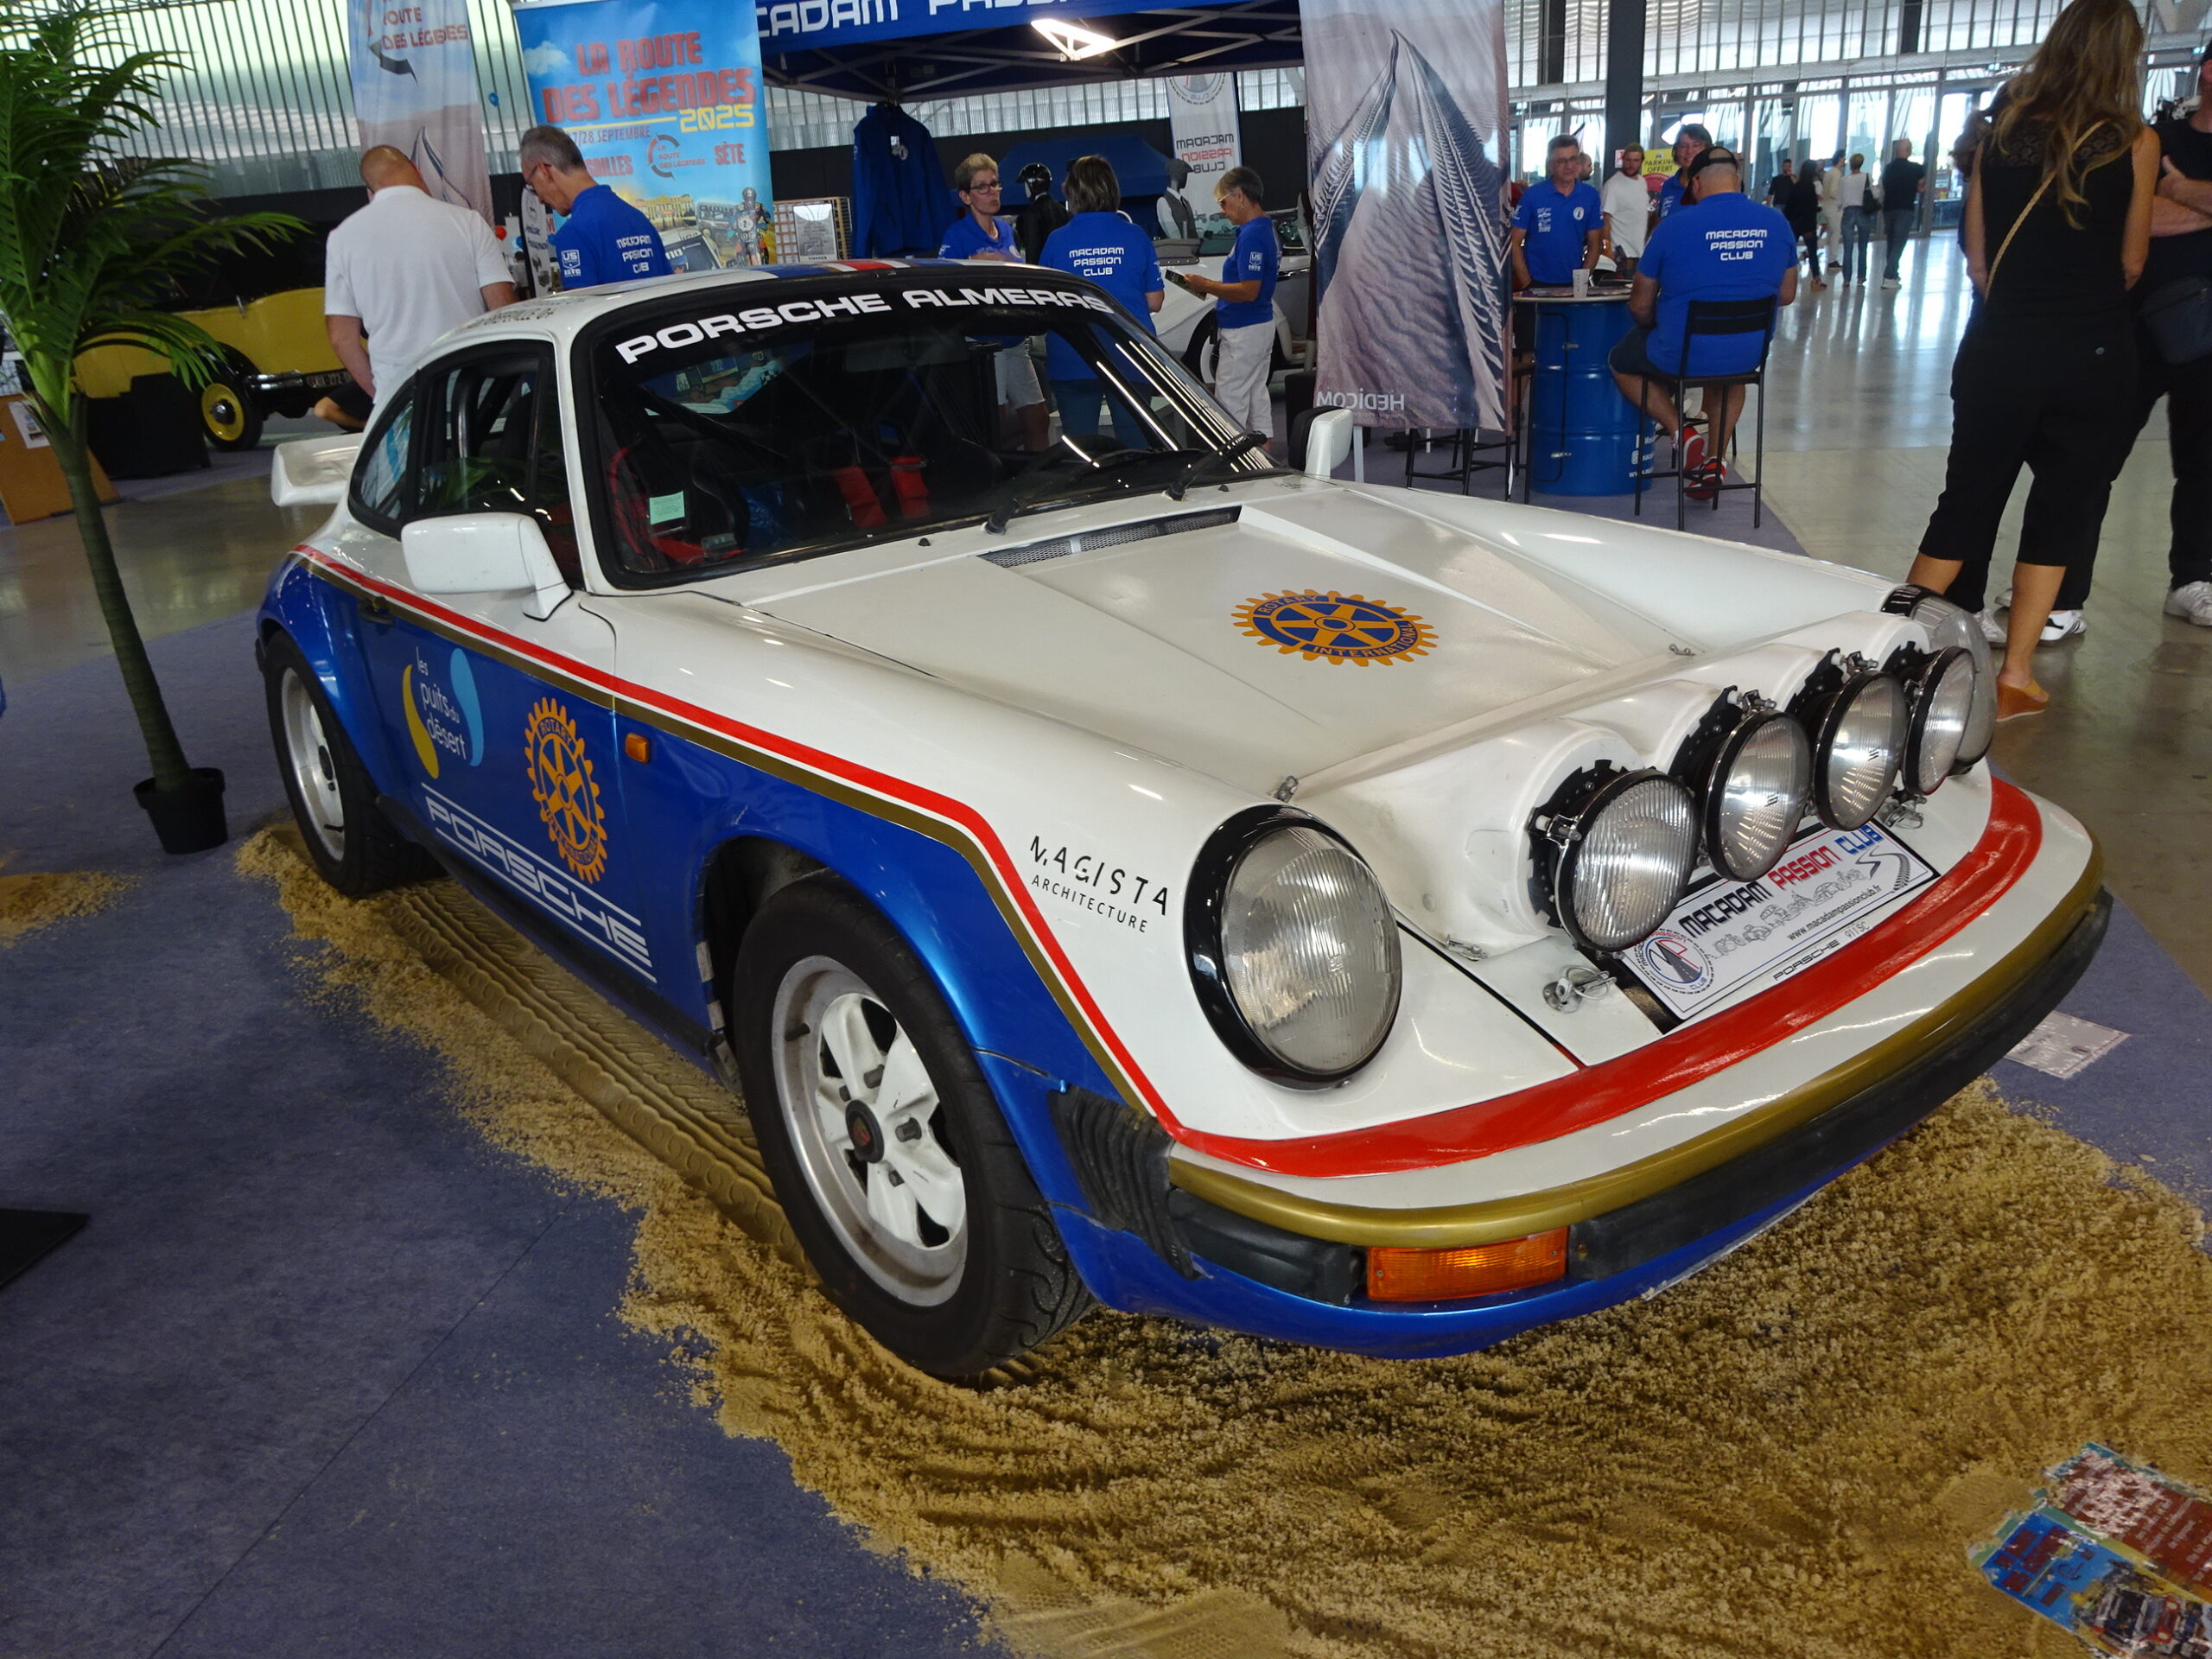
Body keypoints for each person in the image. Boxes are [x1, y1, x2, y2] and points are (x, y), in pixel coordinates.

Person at [1903, 0, 2158, 720]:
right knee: (2061, 510)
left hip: (2002, 346)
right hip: (2093, 352)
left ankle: (1888, 651)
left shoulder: (2003, 133)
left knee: (1965, 502)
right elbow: (2133, 259)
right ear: (2124, 56)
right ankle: (2016, 672)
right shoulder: (2135, 141)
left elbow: (1977, 259)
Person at [1609, 147, 1797, 498]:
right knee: (1730, 373)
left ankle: (1681, 431)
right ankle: (1715, 460)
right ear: (1737, 181)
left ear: (1695, 183)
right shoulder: (1776, 222)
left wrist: (1655, 322)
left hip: (1682, 354)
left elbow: (1640, 305)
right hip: (1749, 353)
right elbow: (1786, 295)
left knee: (1621, 360)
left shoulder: (1673, 226)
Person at [2126, 39, 2212, 627]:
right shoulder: (2157, 140)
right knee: (2096, 455)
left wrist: (2180, 191)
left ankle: (2192, 578)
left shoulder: (2170, 165)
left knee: (2204, 462)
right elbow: (2138, 220)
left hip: (2209, 341)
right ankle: (2063, 588)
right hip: (2143, 325)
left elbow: (2161, 208)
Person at [322, 146, 514, 410]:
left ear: (371, 190)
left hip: (399, 387)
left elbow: (341, 339)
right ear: (417, 169)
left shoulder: (342, 238)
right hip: (472, 382)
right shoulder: (468, 222)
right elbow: (503, 311)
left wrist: (381, 394)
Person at [1039, 155, 1165, 448]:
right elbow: (1155, 300)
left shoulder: (1056, 241)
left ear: (1073, 192)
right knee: (1137, 448)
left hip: (1073, 355)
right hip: (1130, 355)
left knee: (1081, 449)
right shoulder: (1136, 236)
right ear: (1112, 188)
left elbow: (1045, 303)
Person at [940, 153, 1048, 451]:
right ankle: (996, 475)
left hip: (1014, 340)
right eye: (983, 187)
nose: (992, 192)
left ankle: (1039, 475)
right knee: (994, 424)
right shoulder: (957, 236)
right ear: (966, 196)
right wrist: (972, 266)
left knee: (1038, 419)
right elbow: (944, 289)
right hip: (986, 343)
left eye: (995, 184)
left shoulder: (1006, 230)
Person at [1179, 166, 1280, 445]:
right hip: (1257, 323)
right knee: (1256, 394)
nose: (1222, 211)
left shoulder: (1252, 235)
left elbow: (1249, 290)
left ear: (1240, 196)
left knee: (1230, 399)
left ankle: (1233, 459)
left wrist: (1206, 285)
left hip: (1244, 328)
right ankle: (1262, 454)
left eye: (1223, 202)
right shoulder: (1262, 229)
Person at [518, 125, 672, 290]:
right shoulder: (639, 220)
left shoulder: (574, 234)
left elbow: (583, 304)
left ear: (544, 171)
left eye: (533, 185)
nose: (540, 199)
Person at [1510, 135, 1605, 288]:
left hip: (1573, 284)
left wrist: (1581, 282)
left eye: (1573, 159)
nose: (1569, 166)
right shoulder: (1533, 195)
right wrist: (1527, 283)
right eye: (1561, 161)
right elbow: (1514, 242)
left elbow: (1595, 244)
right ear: (1550, 165)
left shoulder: (1590, 196)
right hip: (1537, 283)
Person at [1878, 137, 1928, 287]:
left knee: (1892, 242)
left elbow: (1884, 185)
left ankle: (1893, 273)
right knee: (1899, 244)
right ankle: (1889, 276)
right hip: (1905, 208)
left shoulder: (1888, 168)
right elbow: (1921, 187)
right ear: (1909, 150)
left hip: (1889, 208)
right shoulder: (1917, 168)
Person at [1603, 144, 1650, 280]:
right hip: (1621, 254)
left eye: (1636, 160)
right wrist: (1607, 250)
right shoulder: (1613, 185)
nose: (1631, 164)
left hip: (1640, 252)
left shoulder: (1642, 182)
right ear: (1623, 160)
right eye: (1628, 160)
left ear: (1641, 162)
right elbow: (1605, 219)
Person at [1655, 124, 1712, 223]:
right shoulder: (1668, 186)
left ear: (1708, 149)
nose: (1689, 151)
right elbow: (1661, 223)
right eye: (1683, 146)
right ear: (1676, 150)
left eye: (1696, 145)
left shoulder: (1715, 185)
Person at [1786, 160, 1827, 290]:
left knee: (1790, 251)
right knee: (1813, 253)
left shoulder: (1797, 186)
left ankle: (1784, 277)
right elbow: (1811, 208)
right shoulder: (1810, 187)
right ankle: (1816, 279)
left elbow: (1789, 205)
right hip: (1807, 224)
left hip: (1795, 222)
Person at [1837, 153, 1874, 282]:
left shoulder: (1844, 180)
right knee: (1863, 246)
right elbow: (1875, 193)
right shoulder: (1867, 177)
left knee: (1848, 247)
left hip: (1848, 211)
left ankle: (1847, 278)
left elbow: (1839, 199)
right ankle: (1861, 276)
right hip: (1863, 211)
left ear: (1851, 165)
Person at [1821, 151, 1847, 269]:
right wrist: (1841, 199)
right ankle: (1832, 260)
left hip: (1826, 206)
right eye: (1844, 159)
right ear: (1840, 159)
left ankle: (1807, 253)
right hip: (1834, 208)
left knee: (1830, 235)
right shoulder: (1837, 173)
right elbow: (1833, 192)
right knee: (1835, 234)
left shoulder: (1829, 172)